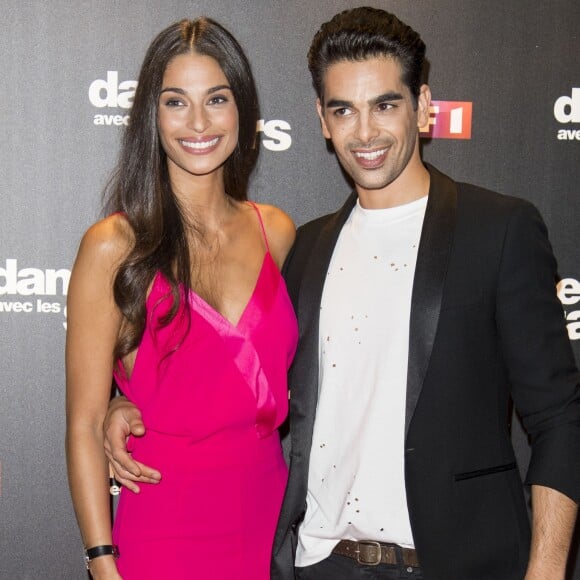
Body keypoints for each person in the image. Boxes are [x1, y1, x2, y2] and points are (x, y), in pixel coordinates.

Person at [104, 7, 580, 580]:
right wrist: (121, 401)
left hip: (453, 564)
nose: (366, 132)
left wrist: (547, 571)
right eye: (343, 110)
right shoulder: (303, 250)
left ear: (424, 106)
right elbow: (223, 361)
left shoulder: (498, 230)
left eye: (385, 104)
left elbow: (559, 419)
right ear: (323, 122)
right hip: (320, 564)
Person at [65, 16, 297, 580]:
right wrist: (103, 564)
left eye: (216, 98)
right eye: (176, 102)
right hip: (161, 533)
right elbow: (84, 421)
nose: (198, 122)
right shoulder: (112, 246)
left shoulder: (278, 232)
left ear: (242, 109)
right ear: (152, 114)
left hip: (268, 528)